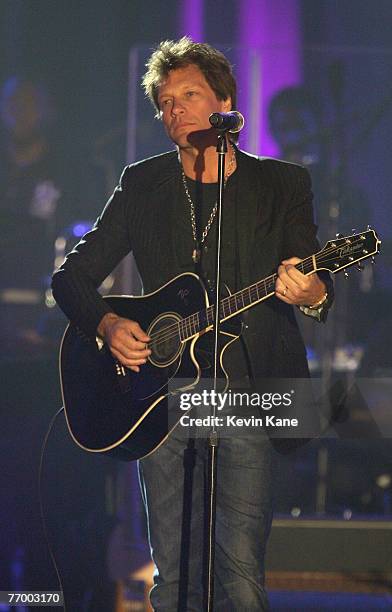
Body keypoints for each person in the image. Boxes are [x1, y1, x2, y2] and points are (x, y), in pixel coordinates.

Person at [52, 37, 333, 611]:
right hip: (161, 396)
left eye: (189, 95)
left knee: (239, 576)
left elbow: (312, 281)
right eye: (165, 101)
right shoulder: (142, 183)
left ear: (225, 103)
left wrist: (312, 290)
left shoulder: (283, 184)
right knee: (174, 577)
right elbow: (71, 278)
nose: (175, 110)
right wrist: (107, 325)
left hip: (248, 390)